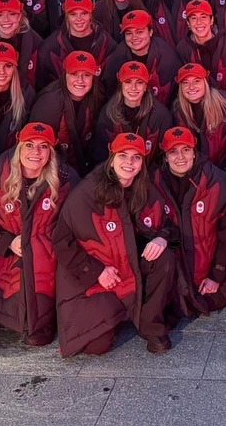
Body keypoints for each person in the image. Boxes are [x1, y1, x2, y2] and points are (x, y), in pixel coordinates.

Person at [55, 132, 179, 355]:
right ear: (111, 158)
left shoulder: (145, 188)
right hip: (96, 271)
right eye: (123, 155)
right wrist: (95, 271)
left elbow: (169, 223)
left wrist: (162, 237)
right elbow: (62, 242)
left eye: (136, 157)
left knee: (164, 258)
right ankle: (124, 310)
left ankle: (150, 325)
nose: (129, 163)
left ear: (143, 162)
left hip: (127, 263)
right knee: (96, 346)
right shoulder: (86, 193)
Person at [0, 122, 77, 347]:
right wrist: (8, 241)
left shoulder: (66, 179)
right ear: (19, 147)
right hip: (11, 252)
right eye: (29, 145)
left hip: (49, 253)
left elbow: (75, 224)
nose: (35, 152)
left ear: (51, 152)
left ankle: (40, 322)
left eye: (43, 146)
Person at [150, 126, 226, 317]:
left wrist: (216, 276)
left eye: (186, 150)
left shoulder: (217, 182)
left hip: (209, 271)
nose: (180, 157)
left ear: (194, 152)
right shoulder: (154, 182)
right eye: (173, 152)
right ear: (165, 156)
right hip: (176, 272)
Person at [171, 63, 226, 176]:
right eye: (185, 83)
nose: (191, 87)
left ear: (205, 82)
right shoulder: (177, 109)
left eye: (197, 81)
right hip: (196, 173)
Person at [92, 61, 173, 165]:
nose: (133, 87)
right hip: (118, 174)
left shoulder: (161, 115)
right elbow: (100, 155)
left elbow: (163, 157)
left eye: (139, 82)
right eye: (128, 81)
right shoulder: (108, 113)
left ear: (145, 86)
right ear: (120, 84)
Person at [176, 0, 226, 104]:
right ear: (188, 23)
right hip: (195, 104)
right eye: (193, 18)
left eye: (203, 17)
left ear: (211, 21)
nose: (199, 22)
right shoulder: (182, 49)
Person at [102, 9, 182, 106]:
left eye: (139, 32)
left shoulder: (167, 58)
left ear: (150, 32)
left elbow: (175, 95)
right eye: (128, 33)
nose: (134, 37)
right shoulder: (117, 57)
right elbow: (111, 92)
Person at [38, 0, 114, 89]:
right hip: (62, 100)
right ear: (66, 15)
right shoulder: (51, 47)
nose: (79, 19)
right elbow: (43, 86)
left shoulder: (106, 43)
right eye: (73, 14)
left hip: (98, 101)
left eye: (84, 13)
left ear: (91, 14)